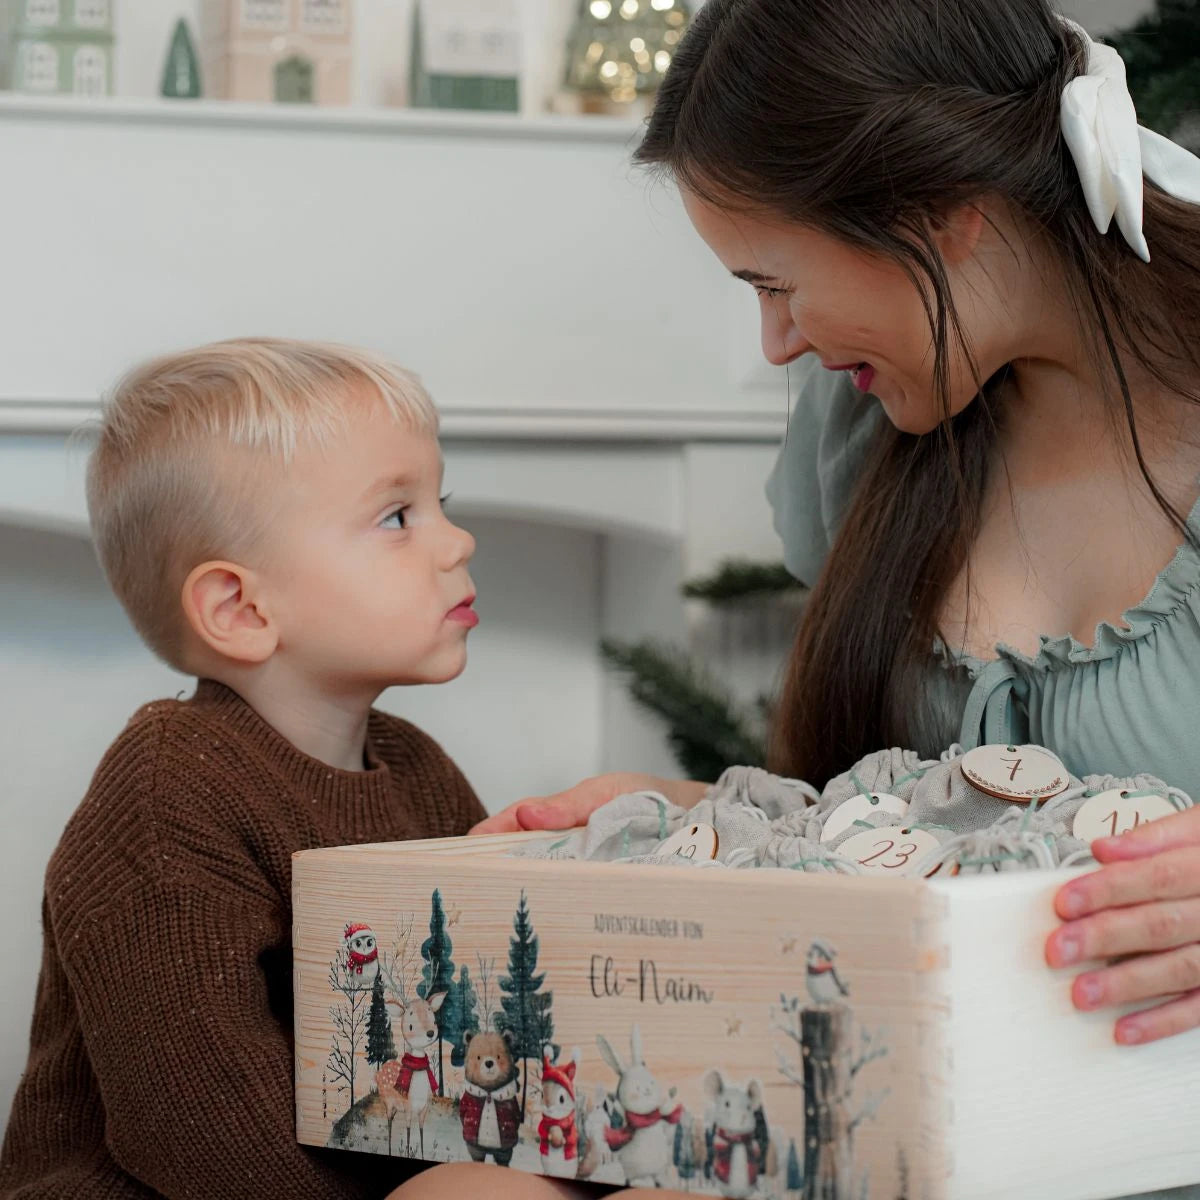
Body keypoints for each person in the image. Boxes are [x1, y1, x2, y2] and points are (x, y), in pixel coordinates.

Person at [456, 0, 1200, 1196]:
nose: (776, 343)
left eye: (777, 282)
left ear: (947, 221)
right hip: (901, 1127)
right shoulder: (871, 432)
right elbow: (922, 832)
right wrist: (696, 825)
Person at [0, 339, 487, 1199]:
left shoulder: (418, 769)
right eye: (397, 518)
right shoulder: (169, 794)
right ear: (240, 607)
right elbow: (195, 1127)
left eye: (439, 503)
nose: (457, 542)